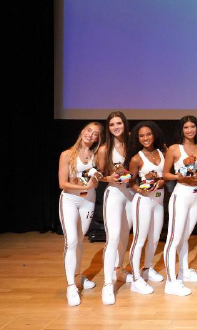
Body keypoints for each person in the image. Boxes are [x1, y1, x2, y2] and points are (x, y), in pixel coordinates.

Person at [162, 115, 197, 295]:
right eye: (186, 127)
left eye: (192, 127)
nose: (190, 130)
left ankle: (184, 271)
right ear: (181, 130)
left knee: (185, 236)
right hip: (181, 195)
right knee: (174, 238)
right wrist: (178, 177)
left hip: (196, 195)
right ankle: (170, 282)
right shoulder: (174, 149)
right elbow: (166, 174)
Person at [58, 122, 103, 306]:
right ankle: (71, 286)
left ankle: (78, 277)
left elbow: (97, 179)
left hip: (88, 201)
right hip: (70, 200)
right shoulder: (67, 154)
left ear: (97, 139)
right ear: (82, 131)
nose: (90, 134)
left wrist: (95, 180)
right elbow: (62, 183)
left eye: (95, 133)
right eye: (89, 130)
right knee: (71, 241)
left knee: (79, 240)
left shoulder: (95, 156)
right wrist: (83, 186)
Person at [97, 112, 134, 305]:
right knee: (112, 238)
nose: (116, 127)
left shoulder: (132, 143)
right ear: (108, 127)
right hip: (114, 193)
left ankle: (118, 270)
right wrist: (108, 178)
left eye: (119, 123)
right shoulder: (105, 149)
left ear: (125, 124)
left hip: (131, 194)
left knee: (125, 236)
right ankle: (107, 284)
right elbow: (98, 174)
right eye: (112, 124)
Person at [127, 121, 167, 295]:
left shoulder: (163, 153)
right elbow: (130, 182)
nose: (145, 138)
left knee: (155, 239)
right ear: (138, 138)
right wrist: (140, 190)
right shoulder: (136, 159)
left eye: (148, 134)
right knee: (139, 239)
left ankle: (147, 269)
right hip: (143, 201)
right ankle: (136, 279)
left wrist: (162, 181)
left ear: (154, 134)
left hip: (159, 200)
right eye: (141, 136)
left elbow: (166, 175)